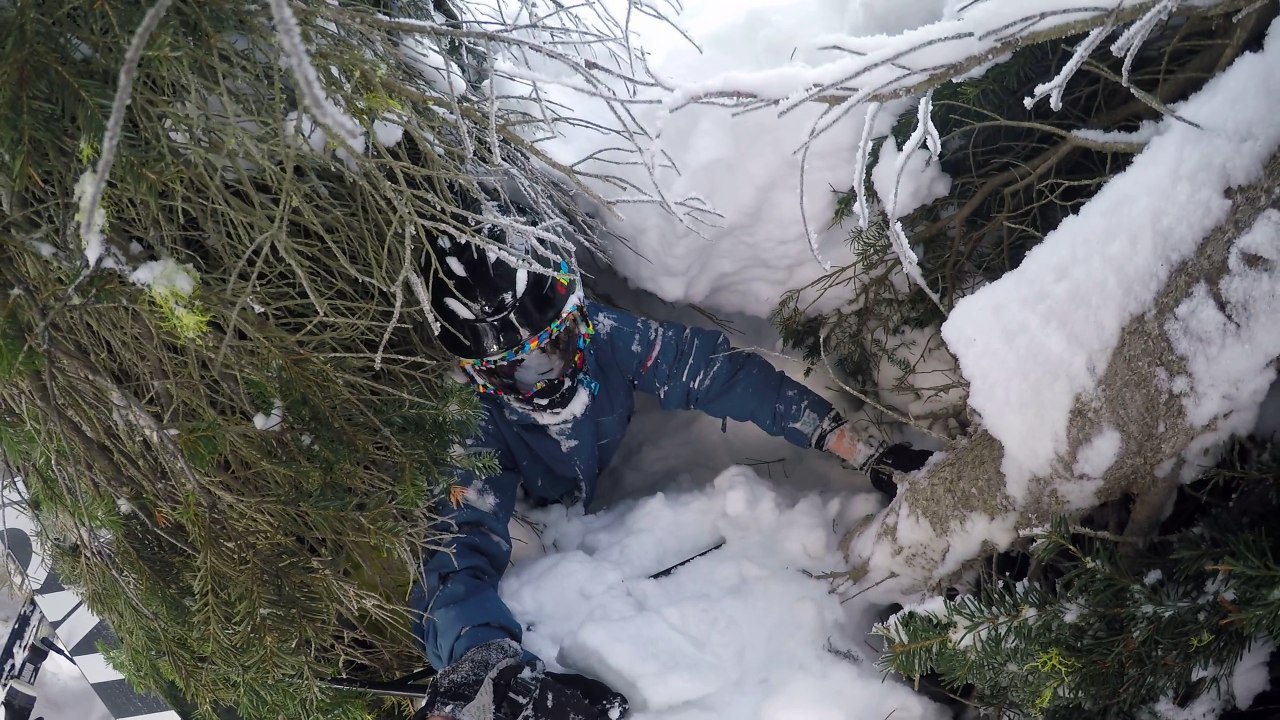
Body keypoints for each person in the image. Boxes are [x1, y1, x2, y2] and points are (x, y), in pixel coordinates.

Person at [409, 233, 932, 720]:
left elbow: (715, 372)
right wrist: (485, 662)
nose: (550, 374)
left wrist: (855, 444)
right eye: (516, 367)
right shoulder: (471, 422)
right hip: (529, 524)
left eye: (558, 343)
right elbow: (457, 551)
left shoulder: (606, 337)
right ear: (478, 374)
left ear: (579, 317)